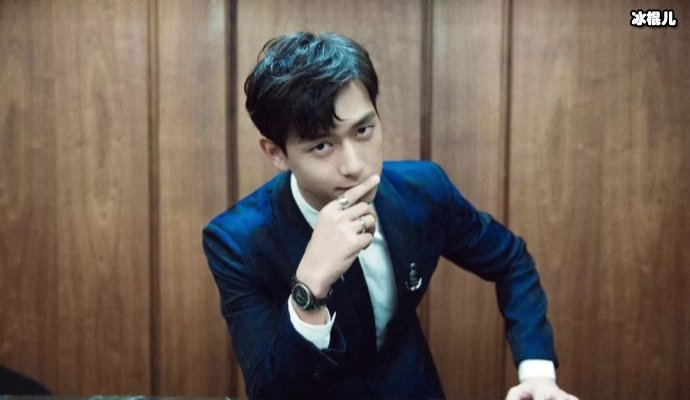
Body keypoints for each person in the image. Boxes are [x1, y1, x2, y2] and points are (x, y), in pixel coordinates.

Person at [202, 31, 578, 400]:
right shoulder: (237, 241)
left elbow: (510, 259)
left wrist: (537, 372)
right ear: (276, 153)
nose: (354, 165)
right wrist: (309, 289)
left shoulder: (424, 191)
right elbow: (269, 391)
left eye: (363, 130)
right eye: (321, 146)